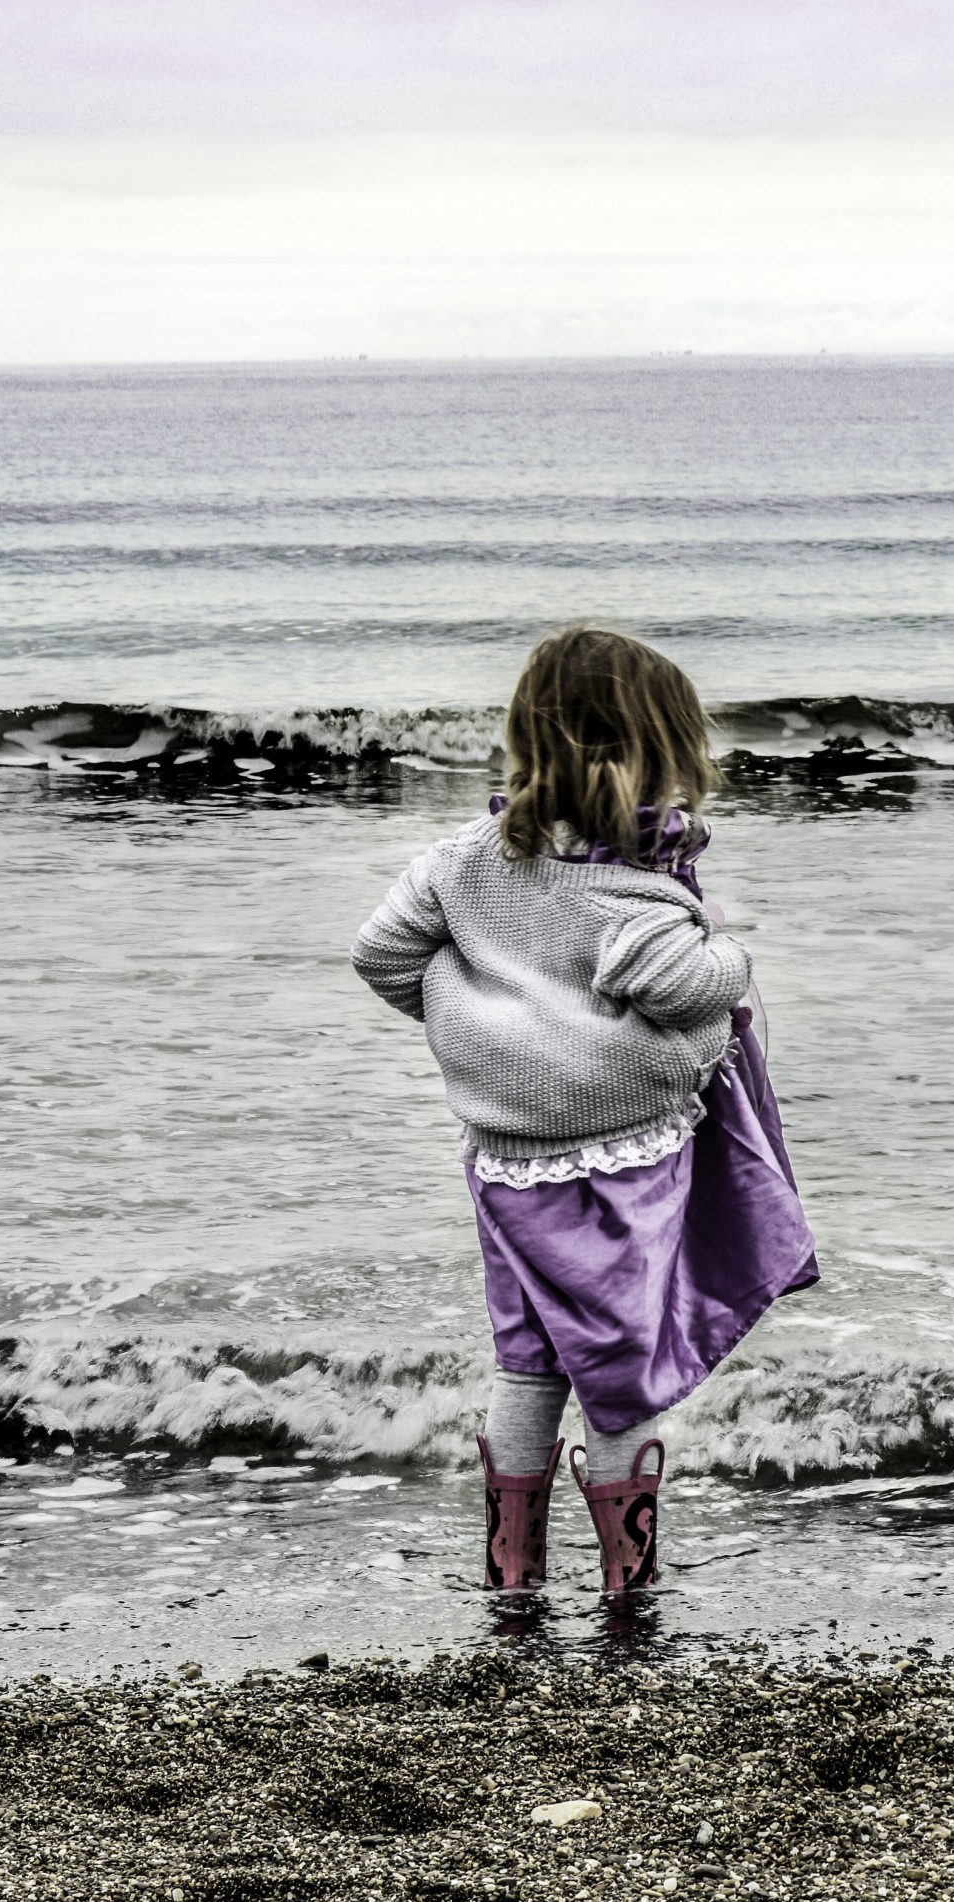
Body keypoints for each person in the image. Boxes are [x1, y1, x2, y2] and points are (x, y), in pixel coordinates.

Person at [350, 625, 817, 1593]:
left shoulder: (464, 856)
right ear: (654, 749)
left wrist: (489, 1030)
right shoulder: (631, 888)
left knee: (527, 1361)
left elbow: (383, 954)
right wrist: (733, 954)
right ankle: (627, 1576)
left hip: (504, 1154)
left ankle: (510, 1569)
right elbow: (682, 987)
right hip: (618, 1160)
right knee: (619, 1367)